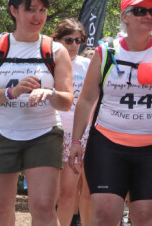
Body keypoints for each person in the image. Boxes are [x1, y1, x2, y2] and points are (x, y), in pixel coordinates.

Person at [68, 0, 152, 226]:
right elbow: (87, 98)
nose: (148, 17)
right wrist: (76, 141)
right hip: (107, 146)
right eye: (140, 11)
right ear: (125, 16)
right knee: (104, 216)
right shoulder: (106, 51)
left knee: (145, 219)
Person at [0, 0, 73, 226]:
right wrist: (10, 92)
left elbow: (67, 101)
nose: (38, 17)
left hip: (44, 133)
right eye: (30, 10)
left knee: (44, 207)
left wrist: (49, 93)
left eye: (42, 10)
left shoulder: (55, 50)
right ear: (14, 11)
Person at [53, 18, 92, 226]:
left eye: (80, 40)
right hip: (51, 131)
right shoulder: (48, 64)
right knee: (51, 195)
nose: (75, 45)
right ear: (57, 40)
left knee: (72, 192)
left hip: (79, 135)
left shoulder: (88, 65)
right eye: (69, 40)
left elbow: (94, 100)